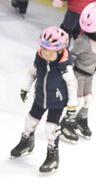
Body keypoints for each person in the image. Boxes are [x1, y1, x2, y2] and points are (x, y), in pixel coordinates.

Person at [10, 27, 78, 173]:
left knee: (51, 128)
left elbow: (72, 84)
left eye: (50, 51)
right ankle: (27, 142)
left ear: (60, 50)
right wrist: (25, 88)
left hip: (57, 102)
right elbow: (32, 72)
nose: (45, 53)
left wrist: (72, 106)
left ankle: (53, 156)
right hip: (41, 96)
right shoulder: (40, 57)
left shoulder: (65, 66)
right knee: (30, 120)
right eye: (43, 49)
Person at [60, 1, 96, 143]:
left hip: (89, 76)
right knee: (77, 100)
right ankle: (66, 122)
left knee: (88, 99)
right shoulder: (82, 41)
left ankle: (81, 119)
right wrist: (67, 72)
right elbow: (71, 56)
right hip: (78, 75)